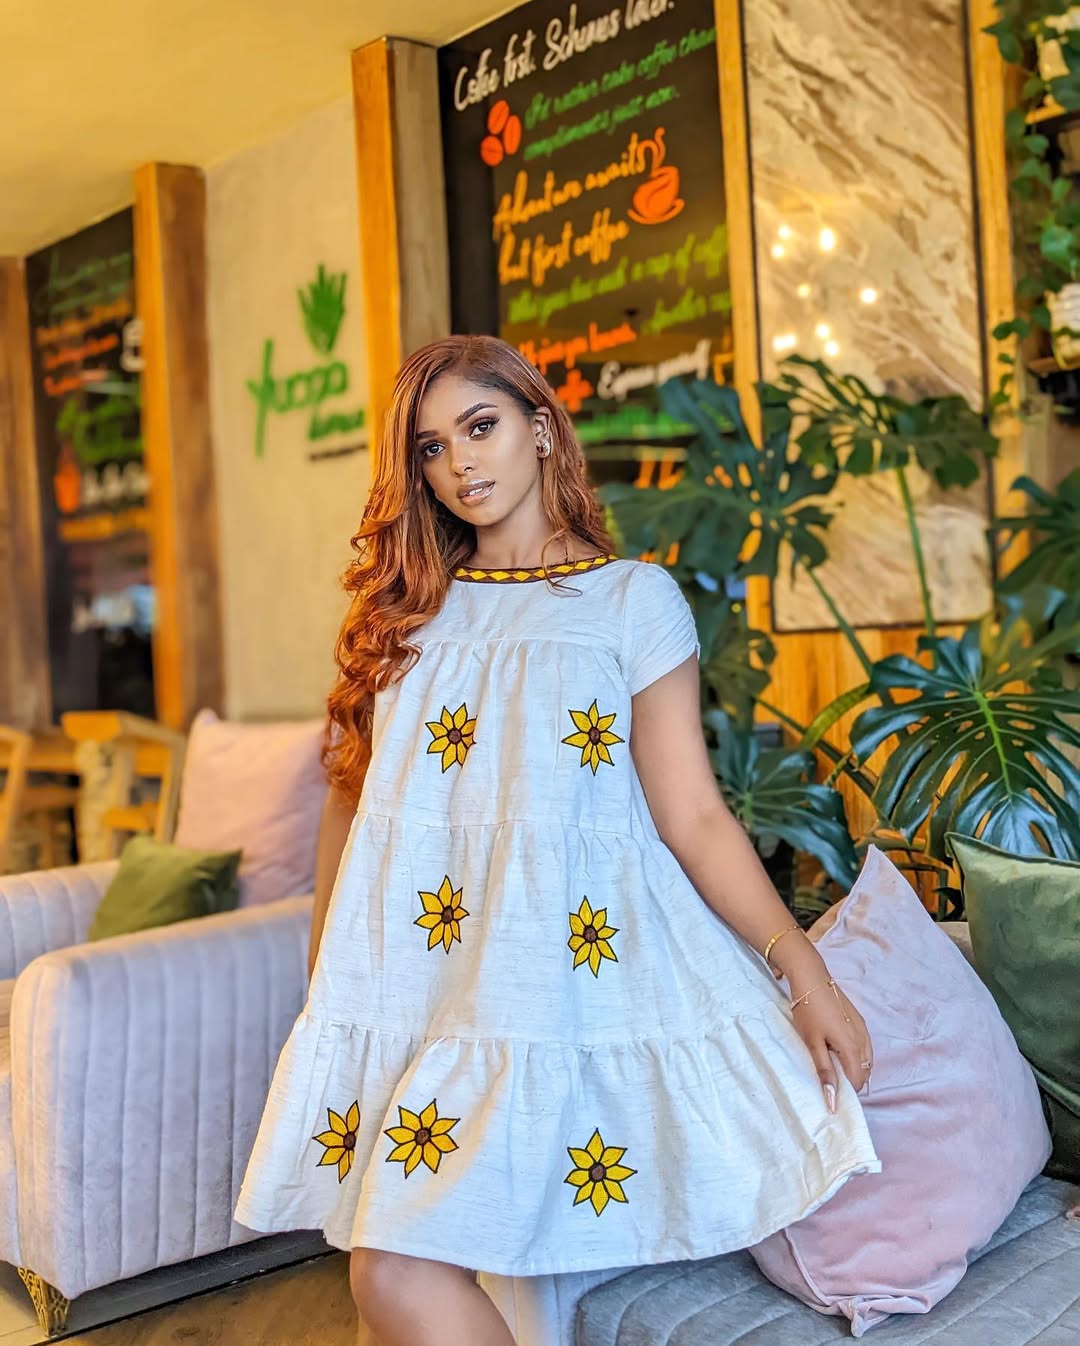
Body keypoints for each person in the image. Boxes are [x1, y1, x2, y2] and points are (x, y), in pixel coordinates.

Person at [235, 335, 879, 1346]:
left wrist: (803, 968)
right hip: (421, 989)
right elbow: (351, 799)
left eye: (480, 427)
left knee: (390, 1274)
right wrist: (333, 974)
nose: (461, 465)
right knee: (389, 1269)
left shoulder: (632, 600)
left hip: (563, 985)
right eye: (432, 449)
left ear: (540, 426)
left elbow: (695, 815)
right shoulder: (407, 614)